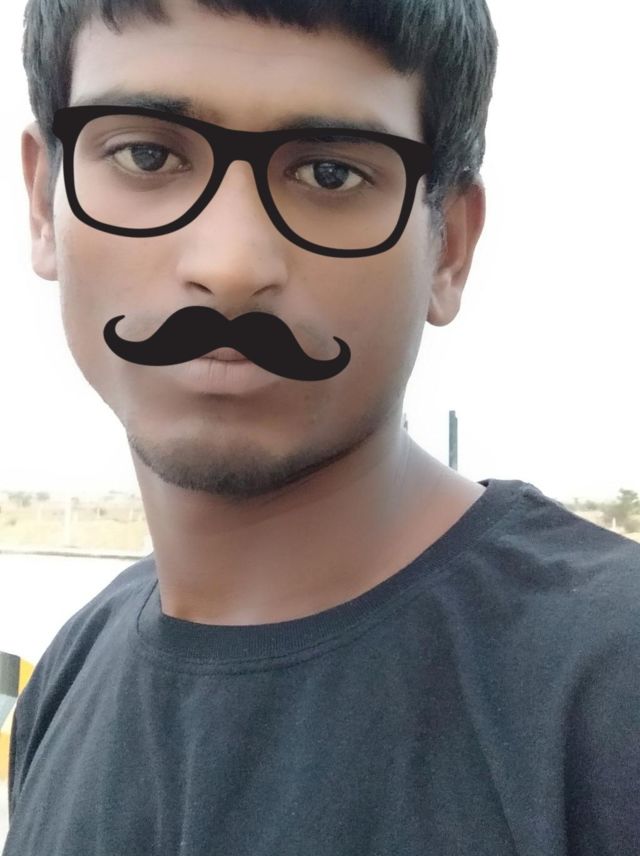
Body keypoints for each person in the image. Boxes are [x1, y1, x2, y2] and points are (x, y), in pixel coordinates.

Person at [5, 0, 639, 853]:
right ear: (44, 206)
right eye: (146, 155)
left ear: (449, 248)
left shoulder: (610, 683)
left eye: (331, 174)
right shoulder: (71, 669)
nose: (231, 267)